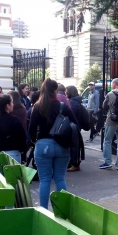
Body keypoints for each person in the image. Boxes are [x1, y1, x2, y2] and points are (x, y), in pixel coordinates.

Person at [29, 78, 78, 209]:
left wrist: (35, 141)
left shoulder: (38, 106)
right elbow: (75, 125)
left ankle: (44, 211)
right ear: (56, 91)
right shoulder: (63, 107)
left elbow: (31, 128)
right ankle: (63, 210)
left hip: (43, 145)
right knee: (60, 179)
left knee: (44, 180)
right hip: (62, 146)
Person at [0, 95, 26, 163]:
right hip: (13, 154)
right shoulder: (14, 120)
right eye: (11, 102)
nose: (13, 104)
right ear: (7, 105)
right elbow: (22, 138)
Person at [100, 78, 118, 170]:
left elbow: (104, 106)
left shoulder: (110, 94)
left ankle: (108, 162)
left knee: (107, 141)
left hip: (111, 121)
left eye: (112, 84)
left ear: (114, 85)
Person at [65, 85, 85, 172]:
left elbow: (71, 115)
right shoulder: (77, 101)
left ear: (70, 92)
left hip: (73, 126)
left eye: (66, 91)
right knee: (75, 145)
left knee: (73, 146)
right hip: (77, 126)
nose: (65, 93)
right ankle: (73, 163)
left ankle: (74, 163)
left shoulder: (73, 102)